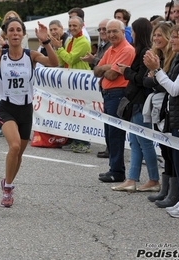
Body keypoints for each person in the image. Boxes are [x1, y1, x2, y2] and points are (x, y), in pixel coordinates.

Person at [0, 0, 58, 207]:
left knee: (19, 154)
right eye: (11, 30)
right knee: (14, 146)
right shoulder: (0, 55)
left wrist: (46, 42)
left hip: (26, 109)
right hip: (6, 108)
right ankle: (8, 190)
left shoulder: (31, 55)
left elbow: (54, 63)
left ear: (23, 34)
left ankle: (7, 181)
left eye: (18, 30)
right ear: (6, 34)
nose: (15, 33)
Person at [144, 22, 179, 218]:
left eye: (176, 36)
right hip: (176, 117)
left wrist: (157, 71)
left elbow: (175, 89)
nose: (172, 40)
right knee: (178, 161)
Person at [111, 18, 159, 192]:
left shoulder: (146, 52)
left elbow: (141, 79)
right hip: (135, 102)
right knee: (134, 141)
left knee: (144, 142)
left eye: (133, 31)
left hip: (140, 102)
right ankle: (131, 179)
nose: (132, 34)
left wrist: (126, 71)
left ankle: (154, 179)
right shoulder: (140, 51)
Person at [94, 19, 135, 183]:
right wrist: (108, 67)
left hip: (118, 94)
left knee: (115, 134)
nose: (110, 34)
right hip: (108, 94)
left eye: (114, 31)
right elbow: (96, 70)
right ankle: (114, 168)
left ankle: (117, 171)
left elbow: (111, 75)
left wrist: (106, 68)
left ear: (123, 31)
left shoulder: (127, 50)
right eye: (107, 31)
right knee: (109, 133)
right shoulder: (110, 49)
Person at [142, 22, 177, 208]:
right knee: (164, 149)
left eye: (160, 36)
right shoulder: (157, 56)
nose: (156, 39)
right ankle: (166, 189)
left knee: (172, 151)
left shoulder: (173, 57)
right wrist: (154, 80)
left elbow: (163, 83)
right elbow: (146, 82)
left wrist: (154, 79)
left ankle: (173, 192)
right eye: (154, 36)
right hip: (159, 108)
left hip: (170, 108)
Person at [51, 15, 92, 154]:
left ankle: (84, 142)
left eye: (75, 25)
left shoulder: (83, 41)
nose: (72, 28)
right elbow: (62, 61)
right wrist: (57, 50)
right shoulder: (70, 40)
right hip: (71, 81)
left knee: (82, 112)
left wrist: (59, 48)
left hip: (81, 81)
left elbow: (70, 58)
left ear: (81, 26)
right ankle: (75, 140)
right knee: (73, 112)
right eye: (70, 25)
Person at [81, 18, 112, 158]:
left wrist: (94, 61)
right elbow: (99, 66)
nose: (101, 32)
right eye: (99, 29)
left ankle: (111, 149)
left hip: (111, 85)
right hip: (103, 85)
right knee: (106, 119)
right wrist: (96, 63)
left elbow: (108, 65)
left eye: (104, 29)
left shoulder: (111, 45)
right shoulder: (101, 45)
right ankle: (109, 147)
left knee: (112, 121)